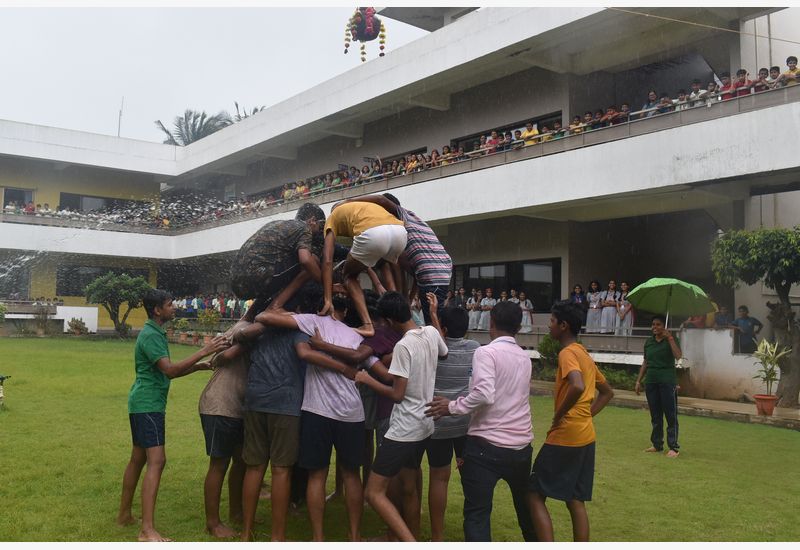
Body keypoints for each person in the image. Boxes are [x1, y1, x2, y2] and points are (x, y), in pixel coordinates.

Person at [117, 289, 229, 542]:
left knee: (138, 458)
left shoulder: (153, 332)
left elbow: (168, 372)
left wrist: (198, 366)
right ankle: (147, 530)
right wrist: (204, 350)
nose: (174, 307)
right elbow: (168, 370)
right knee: (157, 461)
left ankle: (124, 515)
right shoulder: (151, 335)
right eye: (170, 304)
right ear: (157, 310)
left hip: (141, 402)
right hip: (149, 405)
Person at [253, 294, 366, 541]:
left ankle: (318, 538)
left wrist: (294, 314)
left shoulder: (312, 321)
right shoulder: (356, 335)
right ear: (345, 311)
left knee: (317, 475)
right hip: (352, 412)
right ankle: (355, 536)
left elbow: (263, 316)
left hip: (318, 411)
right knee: (351, 475)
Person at [426, 301, 537, 542]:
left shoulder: (485, 352)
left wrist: (452, 407)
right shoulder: (524, 357)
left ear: (492, 322)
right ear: (519, 327)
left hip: (487, 445)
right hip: (520, 446)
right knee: (525, 510)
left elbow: (485, 393)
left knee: (477, 513)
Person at [357, 292, 447, 542]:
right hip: (425, 426)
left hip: (404, 429)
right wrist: (434, 316)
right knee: (408, 487)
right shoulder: (429, 332)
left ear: (388, 320)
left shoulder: (403, 346)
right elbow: (444, 352)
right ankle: (408, 537)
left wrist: (366, 379)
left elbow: (397, 394)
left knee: (374, 493)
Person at [528, 301, 614, 542]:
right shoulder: (583, 354)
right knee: (575, 499)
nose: (549, 326)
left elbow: (576, 385)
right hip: (586, 435)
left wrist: (559, 415)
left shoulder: (567, 353)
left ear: (564, 326)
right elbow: (607, 392)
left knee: (534, 493)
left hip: (566, 435)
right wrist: (586, 414)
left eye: (552, 321)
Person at [424, 306, 480, 541]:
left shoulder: (433, 351)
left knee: (439, 477)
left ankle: (437, 537)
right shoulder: (476, 349)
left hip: (437, 421)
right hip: (466, 422)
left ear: (442, 329)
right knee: (470, 477)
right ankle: (474, 532)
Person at [321, 200, 407, 337]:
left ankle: (368, 325)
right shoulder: (363, 209)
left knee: (349, 276)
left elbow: (327, 260)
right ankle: (402, 323)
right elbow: (367, 262)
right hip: (400, 232)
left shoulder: (333, 216)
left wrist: (328, 299)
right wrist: (378, 285)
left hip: (374, 234)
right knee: (383, 264)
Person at [198, 321, 249, 538]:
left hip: (237, 406)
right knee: (219, 464)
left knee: (242, 460)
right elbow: (225, 356)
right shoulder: (249, 328)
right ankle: (213, 523)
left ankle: (237, 512)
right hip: (220, 405)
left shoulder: (251, 325)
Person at [230, 203, 326, 319]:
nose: (319, 231)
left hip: (237, 283)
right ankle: (275, 306)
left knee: (277, 270)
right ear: (313, 220)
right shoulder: (304, 228)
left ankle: (249, 315)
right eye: (321, 226)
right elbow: (305, 260)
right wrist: (326, 285)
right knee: (312, 260)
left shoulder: (278, 224)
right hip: (256, 277)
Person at [634, 315, 682, 458]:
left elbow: (678, 356)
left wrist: (671, 338)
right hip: (651, 382)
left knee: (670, 415)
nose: (655, 327)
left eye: (658, 324)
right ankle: (657, 444)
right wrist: (638, 380)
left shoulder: (671, 340)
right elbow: (646, 362)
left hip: (667, 382)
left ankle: (673, 447)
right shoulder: (649, 342)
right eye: (653, 324)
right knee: (655, 415)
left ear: (664, 326)